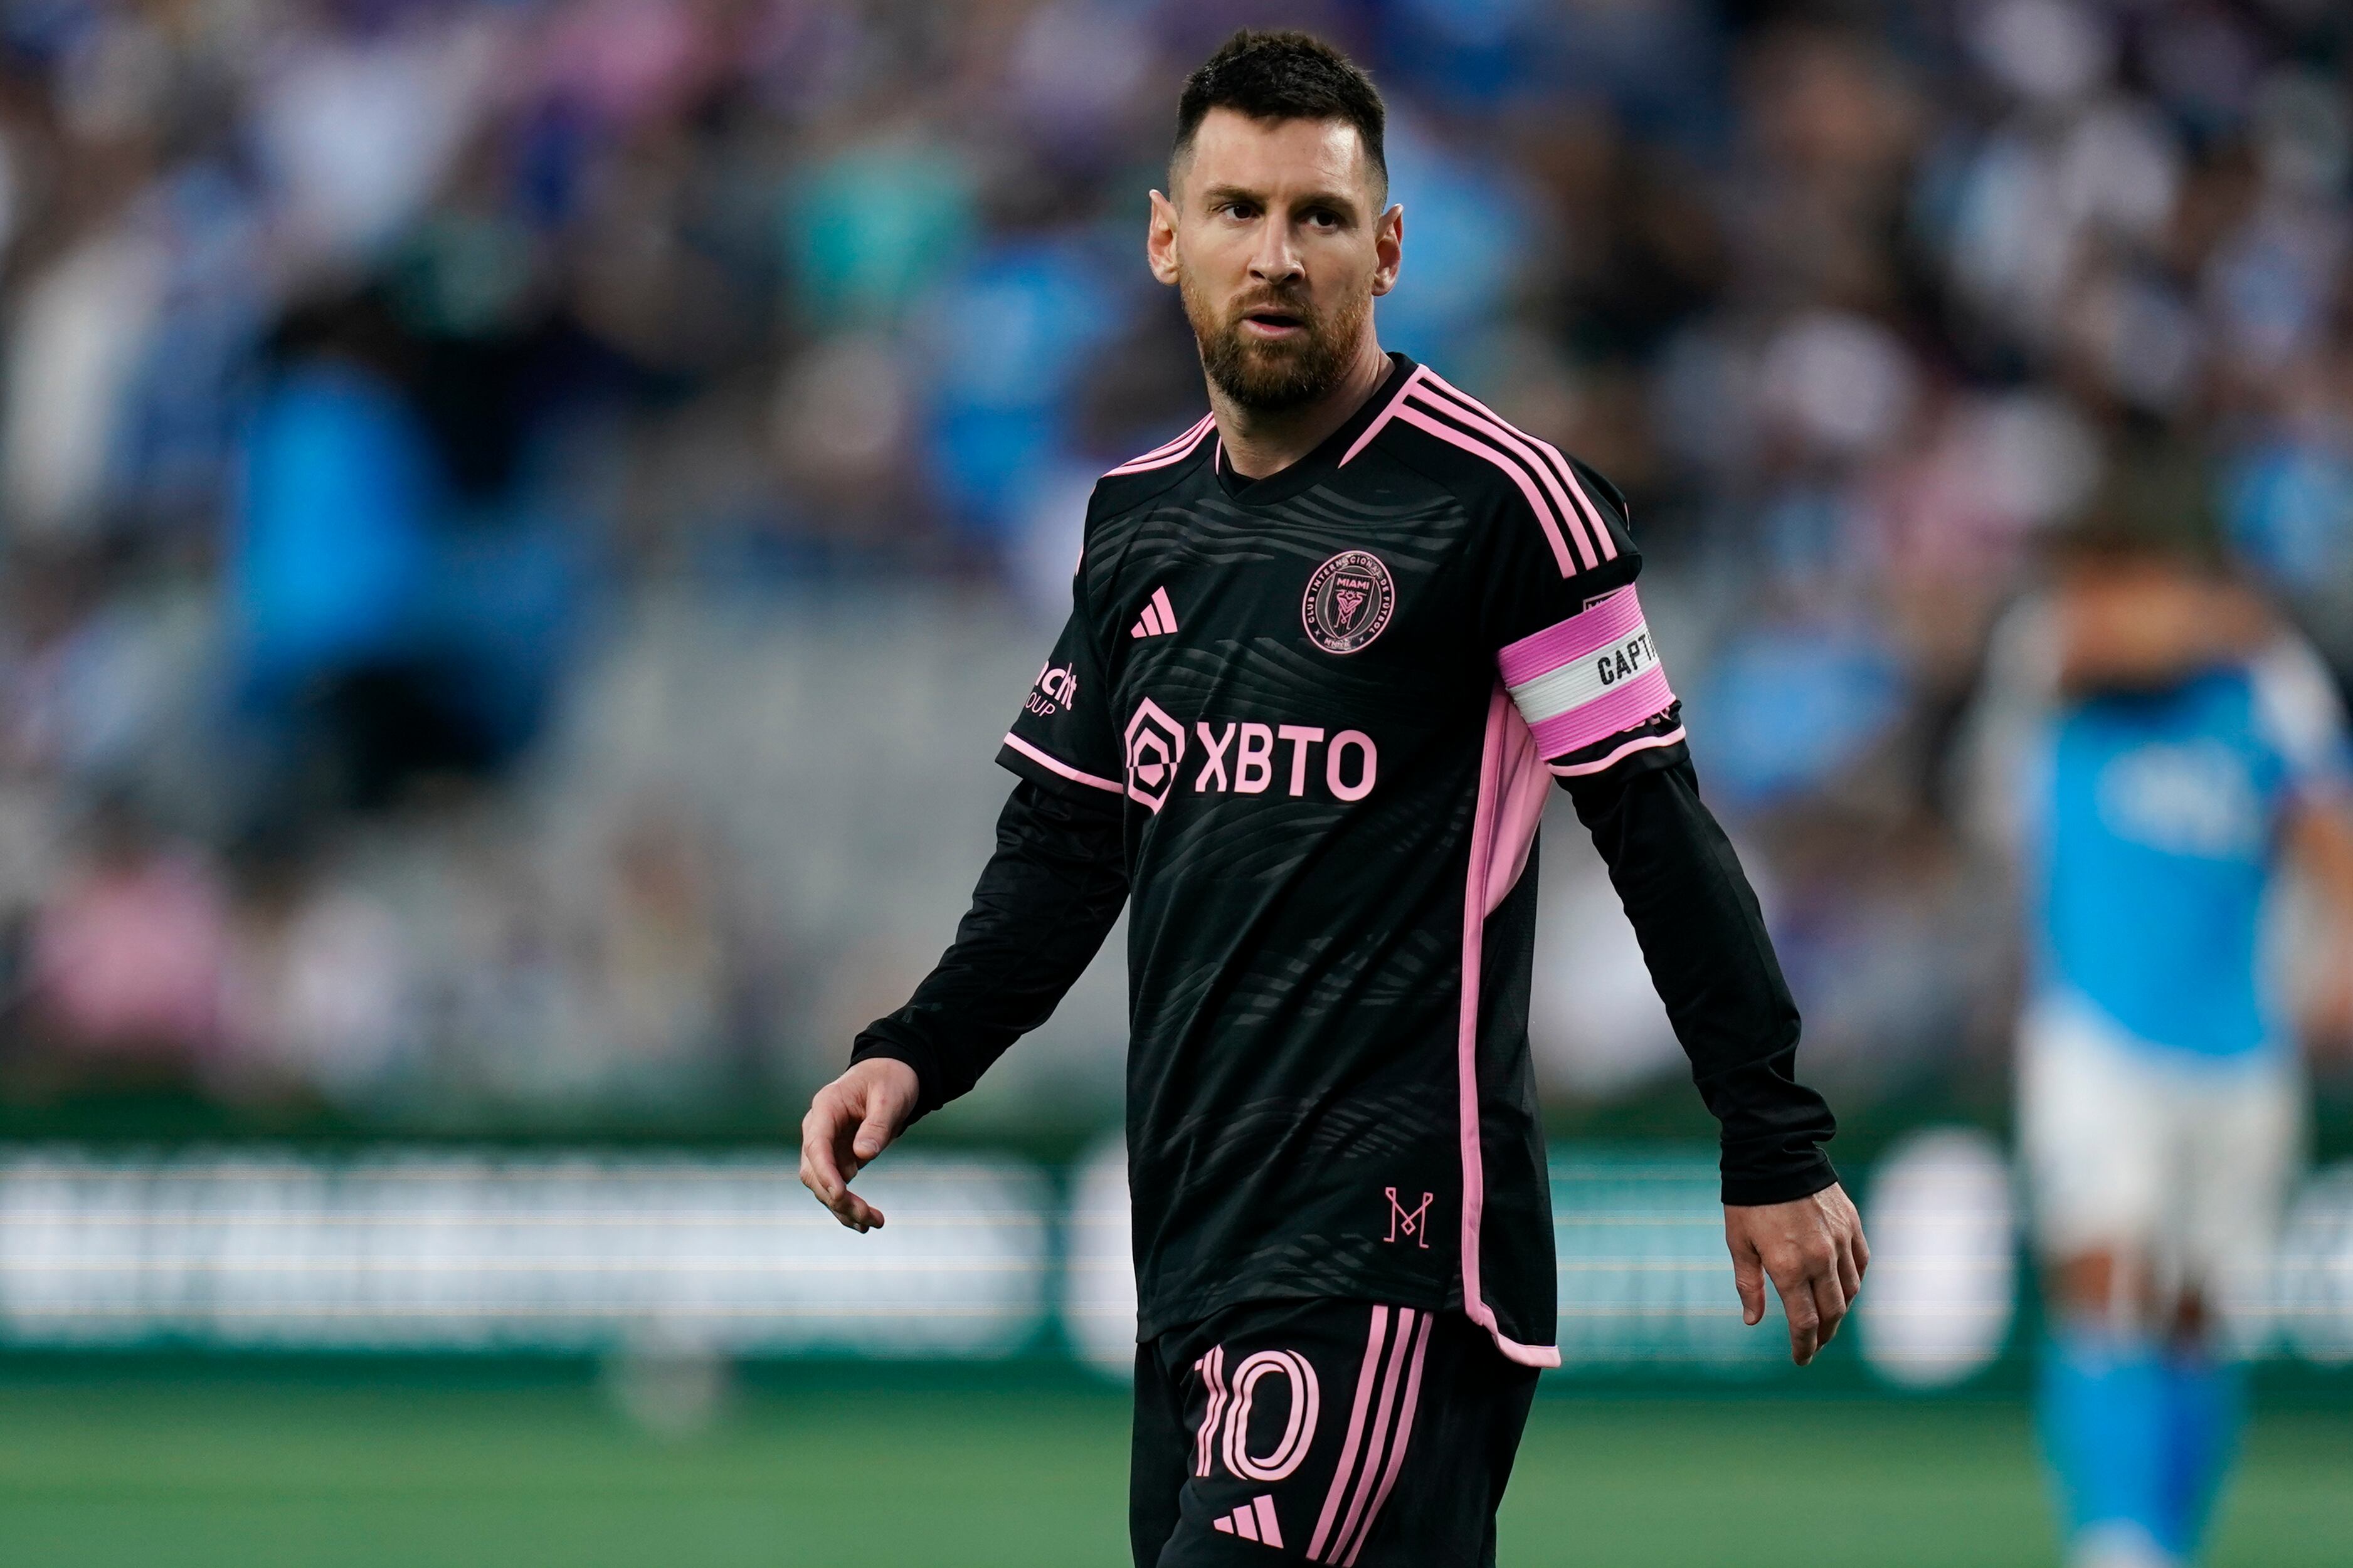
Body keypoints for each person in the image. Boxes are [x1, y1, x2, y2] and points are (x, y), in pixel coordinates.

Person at [800, 31, 1864, 1567]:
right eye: (1237, 211)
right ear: (1167, 240)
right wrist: (918, 1050)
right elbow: (1065, 844)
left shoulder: (1503, 505)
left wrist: (1769, 1138)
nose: (1278, 255)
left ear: (1389, 247)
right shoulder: (1133, 522)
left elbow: (1656, 823)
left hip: (1391, 1240)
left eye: (1318, 216)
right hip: (1192, 1242)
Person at [1975, 450, 2353, 1568]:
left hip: (2240, 1033)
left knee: (2198, 1308)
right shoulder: (2051, 643)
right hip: (2093, 1024)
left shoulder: (2272, 683)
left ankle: (2168, 1537)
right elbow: (2098, 648)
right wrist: (2217, 617)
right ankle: (2115, 1539)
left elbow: (2325, 820)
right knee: (2102, 1265)